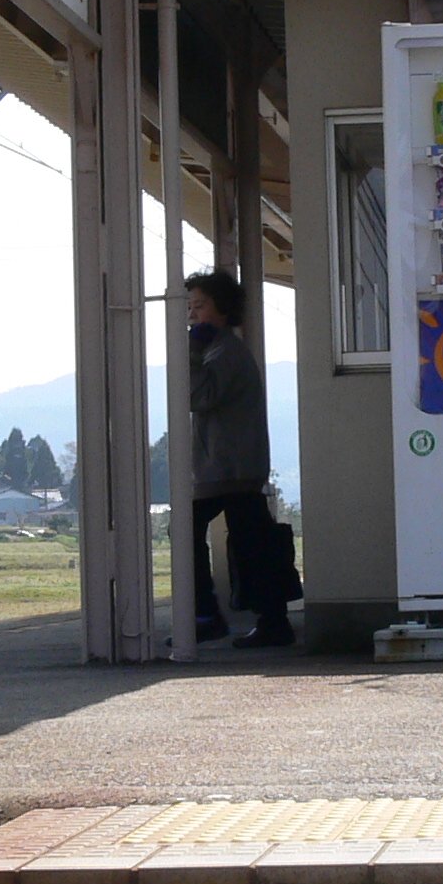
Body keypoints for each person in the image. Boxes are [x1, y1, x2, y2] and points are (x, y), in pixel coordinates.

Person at [185, 269, 292, 648]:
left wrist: (191, 353)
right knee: (254, 542)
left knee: (187, 531)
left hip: (229, 469)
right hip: (233, 467)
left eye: (199, 306)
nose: (191, 315)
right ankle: (272, 621)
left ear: (223, 309)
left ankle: (207, 614)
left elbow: (198, 396)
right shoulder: (223, 350)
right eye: (189, 307)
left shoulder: (224, 352)